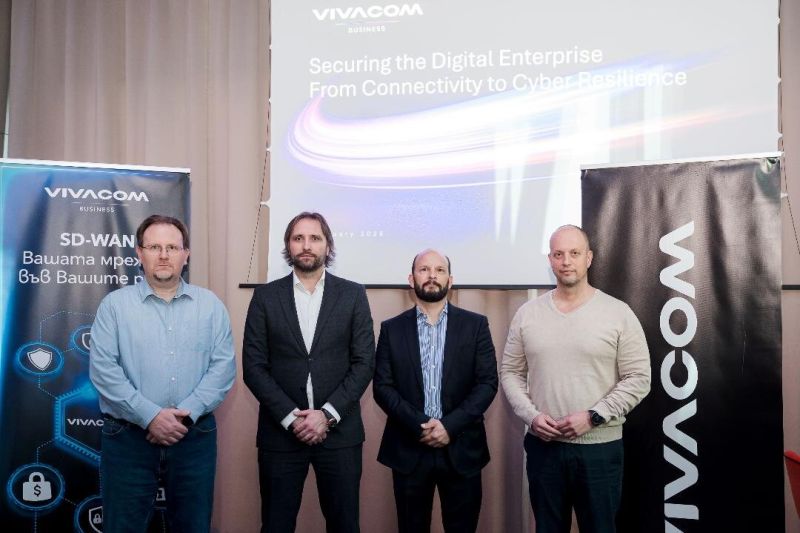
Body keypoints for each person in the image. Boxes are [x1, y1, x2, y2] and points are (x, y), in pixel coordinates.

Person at [89, 214, 236, 533]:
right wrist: (151, 417)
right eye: (154, 247)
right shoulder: (114, 306)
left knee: (193, 526)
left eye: (173, 247)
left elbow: (222, 369)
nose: (164, 255)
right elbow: (103, 371)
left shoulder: (211, 306)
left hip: (193, 437)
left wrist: (184, 415)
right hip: (127, 438)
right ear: (139, 253)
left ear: (186, 254)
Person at [500, 225, 651, 533]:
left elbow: (639, 377)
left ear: (589, 258)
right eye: (558, 254)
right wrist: (531, 416)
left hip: (600, 450)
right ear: (550, 260)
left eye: (574, 253)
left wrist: (594, 416)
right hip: (544, 448)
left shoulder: (618, 313)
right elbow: (510, 372)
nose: (566, 261)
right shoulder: (527, 314)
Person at [242, 211, 375, 533]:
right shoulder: (265, 297)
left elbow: (364, 363)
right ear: (288, 245)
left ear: (327, 245)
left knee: (344, 525)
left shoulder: (353, 295)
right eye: (298, 238)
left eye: (315, 238)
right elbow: (254, 367)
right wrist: (292, 418)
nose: (306, 245)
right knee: (276, 525)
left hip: (340, 434)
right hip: (281, 434)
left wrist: (326, 415)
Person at [374, 249, 498, 533]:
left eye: (440, 270)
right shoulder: (391, 329)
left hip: (462, 448)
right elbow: (382, 387)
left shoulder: (476, 325)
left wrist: (448, 427)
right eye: (424, 269)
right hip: (409, 448)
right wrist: (421, 426)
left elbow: (487, 383)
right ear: (411, 279)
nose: (432, 276)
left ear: (450, 280)